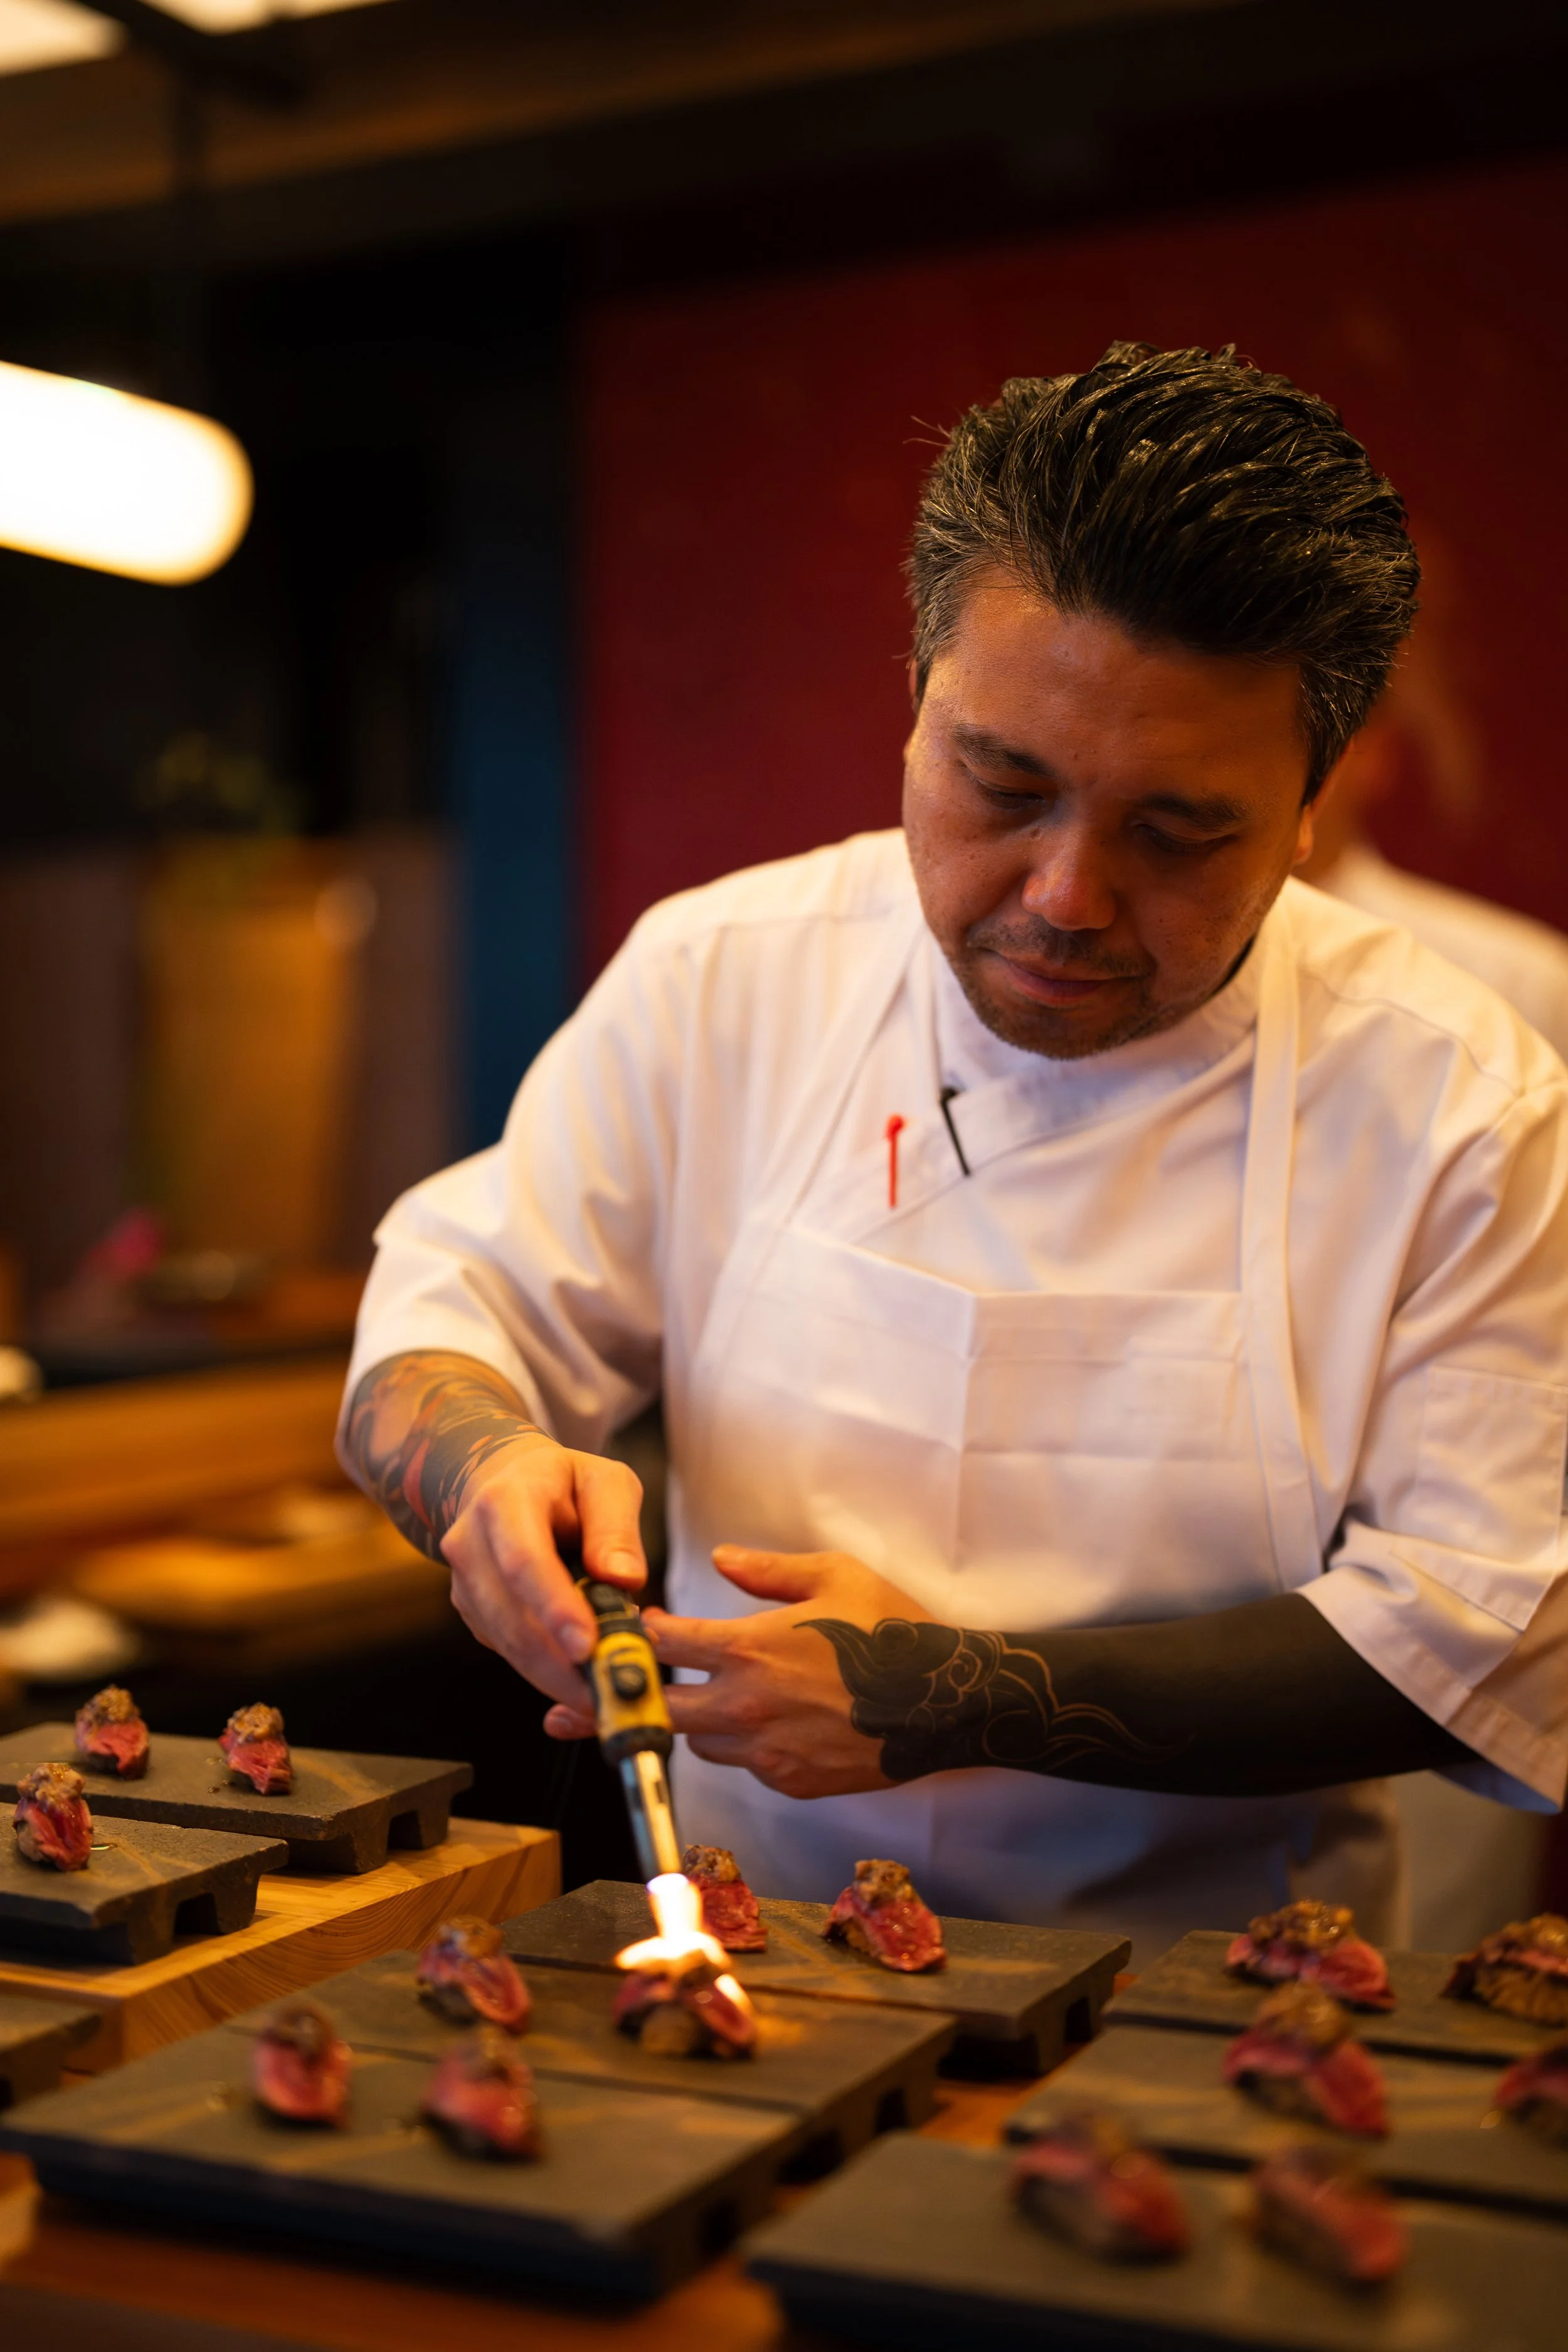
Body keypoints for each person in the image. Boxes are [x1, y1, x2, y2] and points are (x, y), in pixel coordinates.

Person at [340, 344, 1568, 1955]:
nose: (1065, 893)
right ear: (916, 709)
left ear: (1311, 806)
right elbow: (457, 1308)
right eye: (1002, 785)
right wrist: (480, 1469)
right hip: (739, 1956)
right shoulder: (729, 976)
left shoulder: (1450, 1096)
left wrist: (956, 1702)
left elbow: (1481, 1634)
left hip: (1211, 2011)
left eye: (1177, 831)